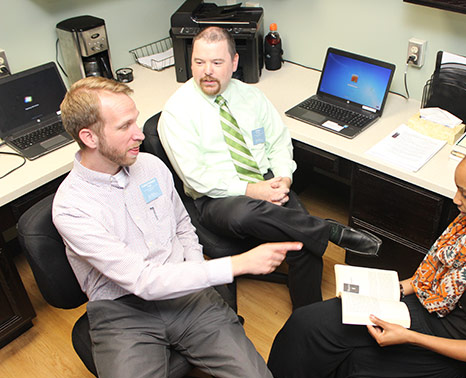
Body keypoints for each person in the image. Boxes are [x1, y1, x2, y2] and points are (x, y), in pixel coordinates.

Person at [53, 76, 299, 378]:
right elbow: (142, 281)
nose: (140, 134)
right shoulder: (71, 208)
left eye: (136, 120)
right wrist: (237, 264)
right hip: (124, 312)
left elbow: (183, 226)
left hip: (188, 298)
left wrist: (196, 276)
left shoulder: (150, 166)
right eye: (125, 126)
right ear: (89, 137)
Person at [267, 138, 466, 378]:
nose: (456, 200)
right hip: (421, 310)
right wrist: (383, 290)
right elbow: (431, 277)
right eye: (457, 189)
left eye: (465, 194)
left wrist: (409, 337)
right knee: (305, 324)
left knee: (325, 344)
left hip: (441, 352)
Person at [158, 26, 381, 309]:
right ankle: (326, 230)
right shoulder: (178, 111)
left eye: (217, 62)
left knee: (302, 243)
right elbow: (197, 178)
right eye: (199, 62)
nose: (207, 71)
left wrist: (284, 178)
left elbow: (278, 141)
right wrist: (253, 190)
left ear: (234, 62)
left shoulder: (251, 97)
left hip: (266, 181)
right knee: (245, 213)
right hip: (218, 199)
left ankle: (308, 317)